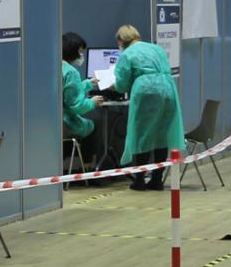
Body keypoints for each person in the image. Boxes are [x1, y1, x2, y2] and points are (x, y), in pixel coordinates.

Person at [110, 26, 185, 191]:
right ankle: (157, 180)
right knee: (161, 134)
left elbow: (122, 85)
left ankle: (139, 180)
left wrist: (109, 85)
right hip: (168, 88)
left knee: (141, 134)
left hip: (146, 90)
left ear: (121, 40)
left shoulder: (127, 54)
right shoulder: (156, 48)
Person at [59, 32, 102, 169]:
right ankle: (87, 169)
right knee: (92, 126)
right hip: (66, 123)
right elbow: (76, 106)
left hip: (53, 122)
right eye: (80, 51)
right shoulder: (71, 72)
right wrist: (93, 102)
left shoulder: (55, 66)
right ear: (72, 51)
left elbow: (68, 92)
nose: (81, 55)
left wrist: (88, 84)